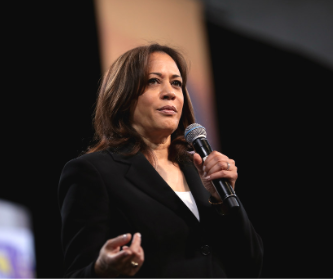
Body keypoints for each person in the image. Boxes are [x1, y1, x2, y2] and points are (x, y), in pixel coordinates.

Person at [58, 43, 263, 278]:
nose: (171, 92)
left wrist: (222, 201)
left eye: (176, 83)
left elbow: (251, 263)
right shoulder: (92, 172)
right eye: (153, 81)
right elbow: (77, 273)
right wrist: (103, 270)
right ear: (123, 95)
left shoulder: (200, 170)